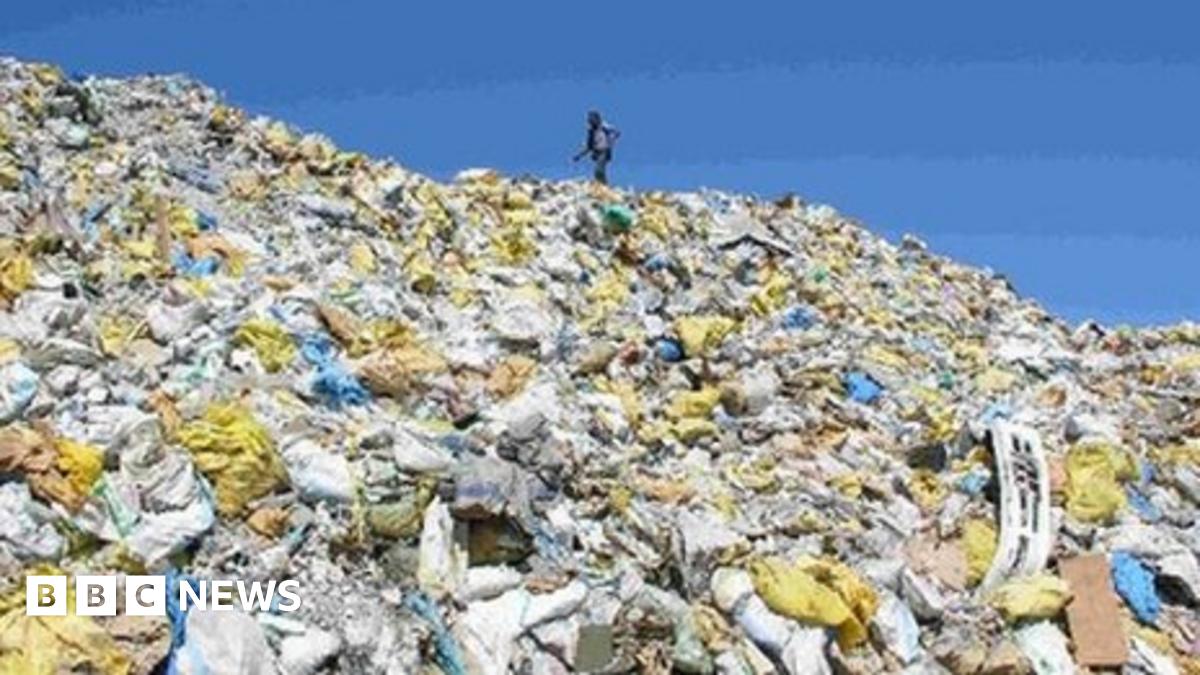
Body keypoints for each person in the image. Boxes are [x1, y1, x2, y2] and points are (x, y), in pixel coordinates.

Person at [573, 110, 620, 184]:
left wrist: (610, 141)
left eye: (593, 119)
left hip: (604, 151)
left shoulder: (604, 126)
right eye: (590, 120)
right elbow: (589, 146)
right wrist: (578, 156)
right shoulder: (591, 132)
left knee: (599, 170)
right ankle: (601, 184)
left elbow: (616, 132)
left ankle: (603, 185)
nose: (591, 121)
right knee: (597, 172)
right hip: (597, 152)